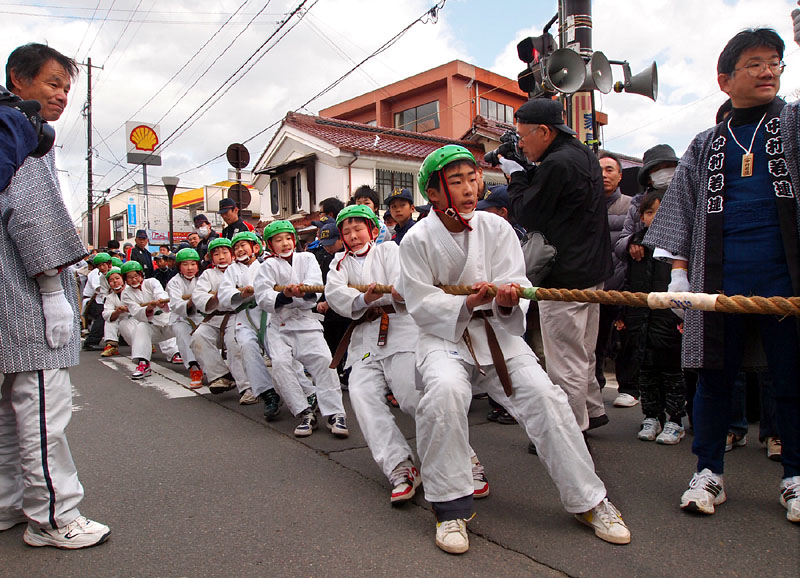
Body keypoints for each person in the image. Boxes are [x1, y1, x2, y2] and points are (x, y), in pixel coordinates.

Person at [399, 145, 630, 554]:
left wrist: (506, 300)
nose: (470, 189)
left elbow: (515, 284)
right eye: (456, 182)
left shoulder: (497, 228)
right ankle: (450, 509)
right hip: (443, 337)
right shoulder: (416, 239)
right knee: (445, 394)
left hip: (497, 333)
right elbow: (419, 302)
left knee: (547, 397)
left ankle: (590, 500)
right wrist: (466, 302)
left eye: (473, 179)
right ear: (433, 193)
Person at [644, 25, 800, 523]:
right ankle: (708, 471)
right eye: (754, 63)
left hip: (787, 276)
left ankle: (795, 475)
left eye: (774, 61)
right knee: (712, 378)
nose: (768, 70)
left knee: (792, 379)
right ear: (724, 79)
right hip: (717, 276)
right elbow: (682, 211)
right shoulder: (706, 142)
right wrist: (679, 275)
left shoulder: (794, 123)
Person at [0, 42, 110, 549]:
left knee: (8, 412)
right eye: (53, 84)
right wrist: (52, 289)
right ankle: (53, 516)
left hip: (8, 296)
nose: (62, 96)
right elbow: (34, 219)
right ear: (18, 80)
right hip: (25, 296)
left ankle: (8, 504)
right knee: (43, 408)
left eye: (67, 87)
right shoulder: (22, 134)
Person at [505, 98, 613, 433]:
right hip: (593, 269)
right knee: (583, 351)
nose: (521, 143)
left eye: (524, 136)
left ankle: (571, 431)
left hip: (565, 274)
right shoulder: (580, 154)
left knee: (564, 358)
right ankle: (593, 410)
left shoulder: (557, 165)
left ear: (545, 131)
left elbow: (527, 212)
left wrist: (516, 174)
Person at [254, 221, 349, 438]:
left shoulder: (307, 258)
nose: (285, 243)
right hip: (280, 325)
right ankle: (304, 411)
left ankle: (335, 413)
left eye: (288, 238)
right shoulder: (266, 267)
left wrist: (301, 292)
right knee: (280, 366)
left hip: (306, 321)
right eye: (278, 240)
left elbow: (314, 285)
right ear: (270, 244)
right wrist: (283, 295)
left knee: (325, 362)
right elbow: (262, 296)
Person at [619, 192, 686, 443]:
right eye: (649, 212)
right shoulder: (636, 245)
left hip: (669, 317)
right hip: (640, 316)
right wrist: (625, 314)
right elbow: (626, 280)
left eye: (660, 211)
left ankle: (675, 420)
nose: (654, 217)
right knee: (645, 369)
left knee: (672, 371)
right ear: (641, 217)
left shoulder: (679, 244)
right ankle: (650, 416)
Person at [216, 231, 283, 419]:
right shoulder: (231, 270)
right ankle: (268, 394)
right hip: (244, 315)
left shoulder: (266, 265)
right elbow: (224, 294)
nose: (239, 250)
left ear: (255, 247)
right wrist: (241, 295)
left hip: (267, 314)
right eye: (236, 247)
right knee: (246, 347)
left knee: (278, 353)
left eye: (243, 245)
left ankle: (301, 390)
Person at [190, 237, 251, 400]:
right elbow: (198, 295)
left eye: (225, 252)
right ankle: (220, 376)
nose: (221, 257)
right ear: (211, 258)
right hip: (214, 317)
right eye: (216, 254)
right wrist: (215, 298)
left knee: (234, 345)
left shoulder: (240, 270)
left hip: (235, 316)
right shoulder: (208, 274)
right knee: (198, 336)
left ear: (232, 254)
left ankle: (246, 387)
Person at [120, 260, 180, 378]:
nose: (134, 280)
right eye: (130, 277)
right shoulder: (126, 293)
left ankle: (196, 364)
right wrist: (148, 308)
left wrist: (160, 302)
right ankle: (143, 363)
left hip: (169, 322)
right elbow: (136, 312)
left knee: (186, 328)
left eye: (136, 276)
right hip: (153, 326)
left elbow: (160, 293)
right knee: (141, 327)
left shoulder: (151, 282)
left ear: (141, 275)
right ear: (125, 279)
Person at [166, 248, 205, 389]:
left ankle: (211, 367)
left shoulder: (202, 279)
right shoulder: (174, 282)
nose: (190, 268)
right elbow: (176, 304)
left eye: (193, 264)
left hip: (201, 315)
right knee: (183, 334)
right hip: (180, 317)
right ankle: (194, 368)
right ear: (179, 267)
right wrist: (190, 302)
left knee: (207, 335)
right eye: (185, 264)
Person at [100, 267, 133, 358]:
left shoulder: (132, 290)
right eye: (111, 280)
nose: (114, 281)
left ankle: (149, 343)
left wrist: (129, 308)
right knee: (109, 320)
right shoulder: (110, 297)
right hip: (122, 319)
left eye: (117, 278)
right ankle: (112, 345)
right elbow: (106, 314)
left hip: (134, 318)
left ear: (123, 280)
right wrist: (117, 311)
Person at [81, 252, 111, 351]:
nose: (102, 267)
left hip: (105, 299)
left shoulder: (113, 271)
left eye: (104, 264)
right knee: (103, 315)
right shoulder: (95, 274)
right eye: (99, 265)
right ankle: (91, 342)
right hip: (92, 300)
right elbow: (99, 289)